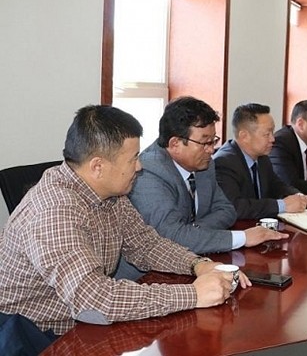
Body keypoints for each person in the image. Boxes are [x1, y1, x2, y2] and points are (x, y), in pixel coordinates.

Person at [0, 105, 248, 344]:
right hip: (33, 336)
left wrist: (198, 265)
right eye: (133, 159)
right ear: (98, 166)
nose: (139, 167)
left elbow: (146, 245)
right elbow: (94, 300)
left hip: (77, 325)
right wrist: (193, 295)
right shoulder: (54, 212)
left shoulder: (109, 193)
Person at [115, 97, 287, 280]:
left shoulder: (204, 164)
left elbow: (227, 210)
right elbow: (170, 238)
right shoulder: (148, 172)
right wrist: (242, 238)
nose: (211, 150)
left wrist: (191, 232)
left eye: (213, 141)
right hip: (144, 279)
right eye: (205, 142)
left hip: (194, 263)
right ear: (175, 144)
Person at [213, 103, 307, 219]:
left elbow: (277, 185)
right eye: (267, 134)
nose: (273, 139)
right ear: (244, 136)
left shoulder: (262, 157)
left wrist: (299, 196)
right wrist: (282, 205)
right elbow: (234, 207)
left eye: (272, 132)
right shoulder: (224, 163)